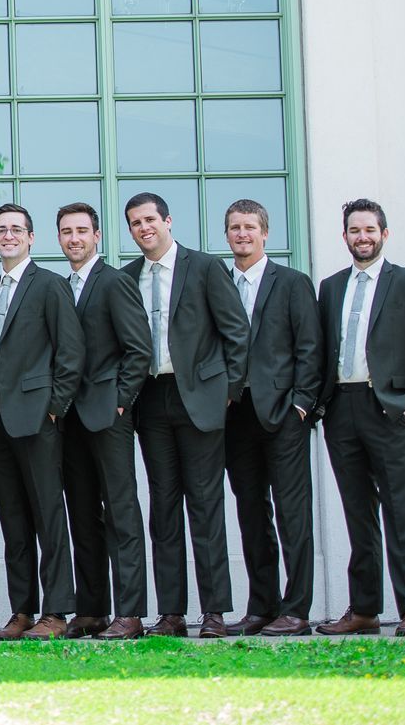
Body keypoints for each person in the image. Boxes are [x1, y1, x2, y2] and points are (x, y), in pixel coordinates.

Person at [314, 199, 405, 639]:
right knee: (358, 514)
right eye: (354, 230)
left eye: (369, 229)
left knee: (402, 512)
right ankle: (364, 611)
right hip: (342, 410)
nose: (362, 237)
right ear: (345, 236)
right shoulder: (331, 287)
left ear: (383, 234)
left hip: (389, 411)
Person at [121, 191, 249, 639]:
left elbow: (236, 332)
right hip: (151, 400)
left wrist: (227, 394)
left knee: (206, 506)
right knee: (163, 509)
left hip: (200, 400)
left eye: (150, 219)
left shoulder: (205, 267)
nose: (144, 228)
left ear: (168, 221)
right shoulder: (127, 276)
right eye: (135, 223)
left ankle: (214, 611)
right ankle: (171, 613)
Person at [0, 204, 82, 641]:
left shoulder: (50, 286)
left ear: (31, 237)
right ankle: (22, 609)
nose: (8, 236)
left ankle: (56, 611)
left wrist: (54, 408)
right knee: (13, 520)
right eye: (1, 230)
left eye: (16, 229)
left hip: (38, 418)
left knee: (48, 515)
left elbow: (71, 352)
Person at [221, 199, 322, 637]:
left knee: (292, 513)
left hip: (283, 414)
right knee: (251, 513)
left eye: (249, 227)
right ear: (227, 235)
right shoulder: (219, 282)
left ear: (265, 233)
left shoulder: (293, 283)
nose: (241, 234)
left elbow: (311, 348)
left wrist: (301, 405)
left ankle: (296, 608)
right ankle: (262, 605)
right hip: (234, 415)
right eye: (234, 228)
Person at [55, 203, 153, 640]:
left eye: (81, 231)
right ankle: (92, 610)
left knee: (121, 512)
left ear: (97, 235)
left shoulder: (114, 282)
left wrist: (120, 400)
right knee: (81, 514)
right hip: (69, 417)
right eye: (66, 232)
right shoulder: (59, 287)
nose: (74, 238)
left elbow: (138, 348)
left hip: (107, 414)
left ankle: (129, 612)